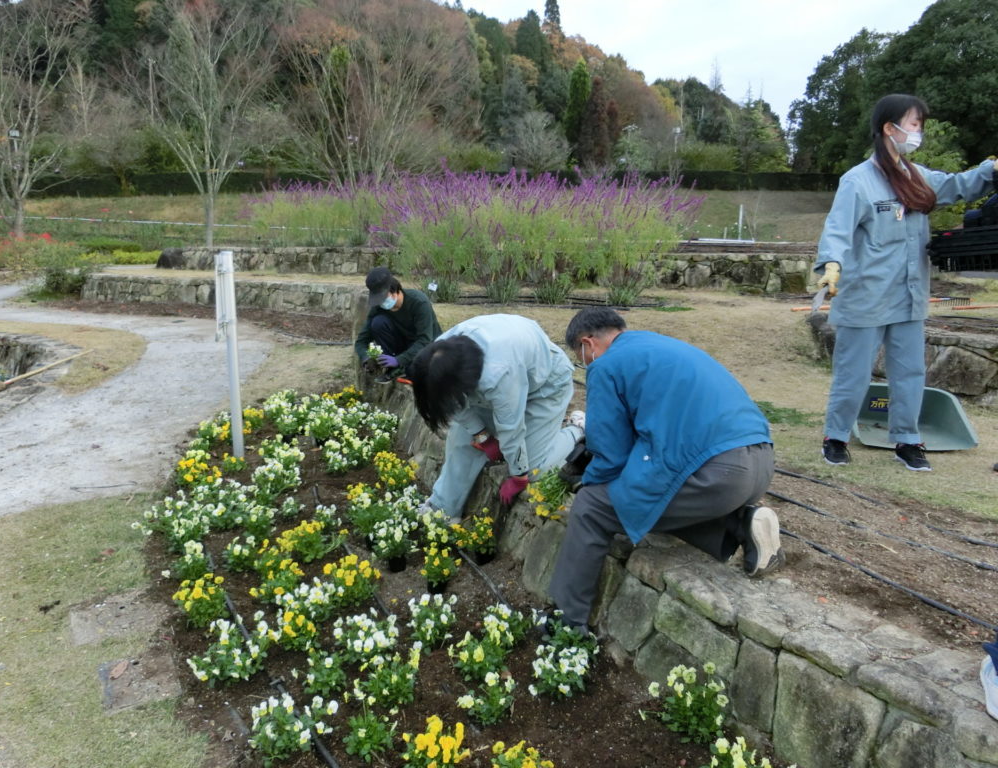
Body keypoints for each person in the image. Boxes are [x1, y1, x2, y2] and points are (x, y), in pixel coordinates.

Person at [548, 307, 782, 634]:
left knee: (592, 508)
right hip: (758, 462)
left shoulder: (605, 366)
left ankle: (566, 623)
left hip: (717, 472)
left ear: (589, 344)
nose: (584, 362)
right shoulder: (658, 346)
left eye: (580, 355)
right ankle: (739, 525)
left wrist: (585, 481)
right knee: (645, 495)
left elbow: (611, 455)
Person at [816, 94, 997, 472]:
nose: (919, 132)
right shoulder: (858, 181)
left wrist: (989, 170)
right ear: (890, 127)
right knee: (854, 373)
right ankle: (836, 437)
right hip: (866, 296)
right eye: (915, 124)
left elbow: (957, 186)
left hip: (910, 295)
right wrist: (831, 264)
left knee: (910, 372)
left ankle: (908, 441)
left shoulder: (917, 178)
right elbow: (837, 229)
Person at [409, 314, 584, 523]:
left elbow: (511, 428)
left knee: (534, 466)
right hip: (503, 373)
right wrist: (481, 435)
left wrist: (519, 476)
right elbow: (451, 402)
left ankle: (577, 429)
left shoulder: (498, 374)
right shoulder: (439, 357)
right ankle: (442, 508)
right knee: (462, 442)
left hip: (546, 383)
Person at [354, 266, 441, 382]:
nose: (381, 303)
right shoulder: (379, 308)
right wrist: (366, 358)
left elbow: (425, 340)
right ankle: (393, 369)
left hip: (428, 346)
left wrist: (399, 360)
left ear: (394, 291)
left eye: (383, 298)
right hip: (403, 346)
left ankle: (402, 367)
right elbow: (361, 341)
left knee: (418, 372)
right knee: (378, 322)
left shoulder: (419, 303)